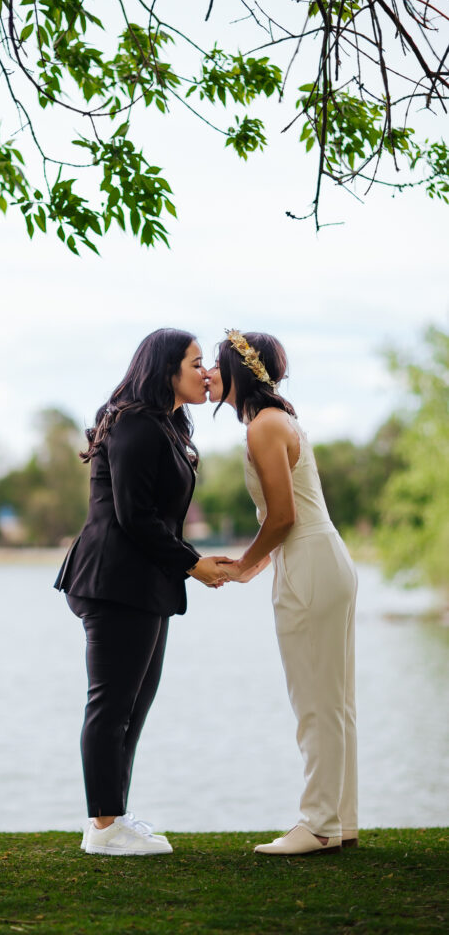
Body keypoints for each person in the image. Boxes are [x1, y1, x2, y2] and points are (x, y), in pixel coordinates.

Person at [55, 328, 226, 856]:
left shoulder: (166, 424)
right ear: (165, 370)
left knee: (135, 705)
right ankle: (103, 828)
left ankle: (114, 817)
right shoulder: (134, 425)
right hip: (114, 580)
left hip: (143, 582)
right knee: (111, 706)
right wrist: (194, 565)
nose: (205, 371)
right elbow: (133, 516)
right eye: (196, 363)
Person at [208, 330, 358, 856]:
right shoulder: (274, 421)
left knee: (315, 701)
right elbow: (289, 516)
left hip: (310, 563)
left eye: (214, 362)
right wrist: (257, 563)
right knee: (334, 699)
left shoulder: (264, 427)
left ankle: (318, 824)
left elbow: (282, 517)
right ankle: (340, 820)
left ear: (237, 371)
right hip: (321, 559)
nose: (206, 372)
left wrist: (246, 567)